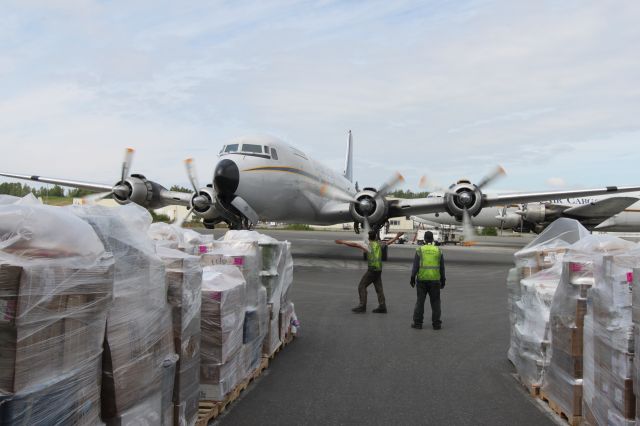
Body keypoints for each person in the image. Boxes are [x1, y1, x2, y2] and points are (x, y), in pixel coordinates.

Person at [335, 230, 405, 313]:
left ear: (368, 237)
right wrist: (397, 236)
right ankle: (382, 306)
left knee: (362, 286)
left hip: (372, 270)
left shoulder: (367, 245)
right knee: (379, 289)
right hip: (378, 270)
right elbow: (389, 242)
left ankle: (362, 306)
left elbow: (355, 244)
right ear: (375, 237)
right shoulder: (379, 244)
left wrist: (343, 242)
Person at [410, 231, 446, 330]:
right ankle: (436, 324)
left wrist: (412, 277)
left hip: (422, 279)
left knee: (420, 302)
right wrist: (443, 279)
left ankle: (418, 323)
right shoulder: (438, 250)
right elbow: (442, 267)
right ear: (433, 239)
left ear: (424, 239)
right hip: (435, 280)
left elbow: (415, 265)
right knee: (435, 302)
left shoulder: (420, 250)